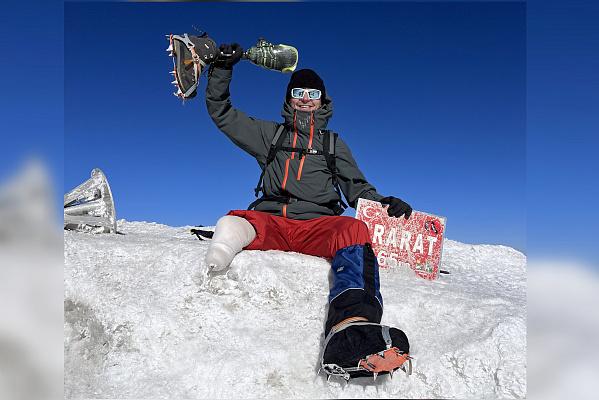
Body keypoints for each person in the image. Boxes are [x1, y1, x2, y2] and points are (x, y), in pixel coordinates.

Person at [203, 43, 413, 381]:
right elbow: (222, 112)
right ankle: (221, 252)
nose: (304, 98)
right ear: (289, 99)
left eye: (311, 92)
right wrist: (223, 69)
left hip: (318, 227)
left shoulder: (333, 144)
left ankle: (350, 328)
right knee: (238, 219)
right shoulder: (269, 135)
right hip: (274, 222)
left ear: (322, 99)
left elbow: (357, 189)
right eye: (297, 92)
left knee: (352, 230)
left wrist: (383, 202)